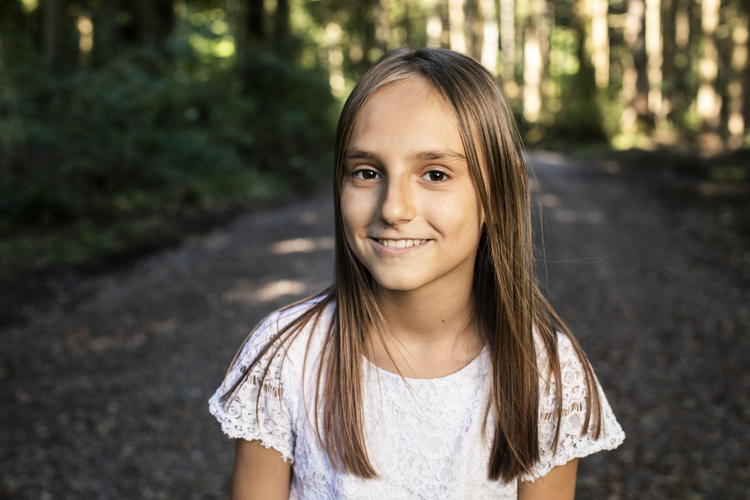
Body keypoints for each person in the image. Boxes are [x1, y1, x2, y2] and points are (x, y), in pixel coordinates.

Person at [208, 47, 625, 500]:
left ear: (501, 193)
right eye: (367, 172)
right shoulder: (287, 358)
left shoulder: (545, 372)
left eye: (436, 174)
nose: (393, 208)